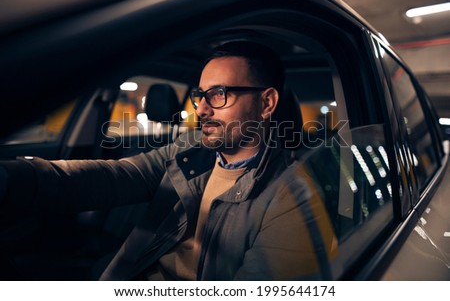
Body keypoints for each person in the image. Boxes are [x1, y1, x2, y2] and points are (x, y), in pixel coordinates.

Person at [0, 41, 336, 280]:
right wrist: (15, 178)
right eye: (200, 96)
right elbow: (115, 176)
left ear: (266, 103)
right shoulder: (189, 150)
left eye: (219, 95)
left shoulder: (291, 195)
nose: (201, 109)